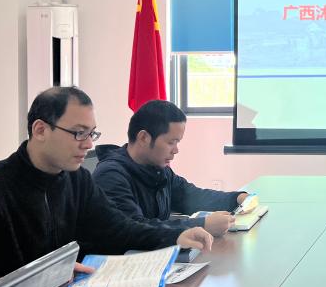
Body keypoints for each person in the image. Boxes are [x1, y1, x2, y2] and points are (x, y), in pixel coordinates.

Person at [0, 87, 212, 287]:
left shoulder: (76, 179)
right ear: (40, 130)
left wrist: (175, 235)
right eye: (78, 134)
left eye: (91, 134)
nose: (88, 145)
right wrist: (40, 278)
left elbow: (117, 227)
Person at [94, 99, 249, 237]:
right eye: (171, 142)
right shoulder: (110, 176)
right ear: (143, 138)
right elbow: (134, 229)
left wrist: (236, 199)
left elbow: (192, 196)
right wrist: (202, 225)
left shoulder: (157, 169)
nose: (176, 150)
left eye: (177, 143)